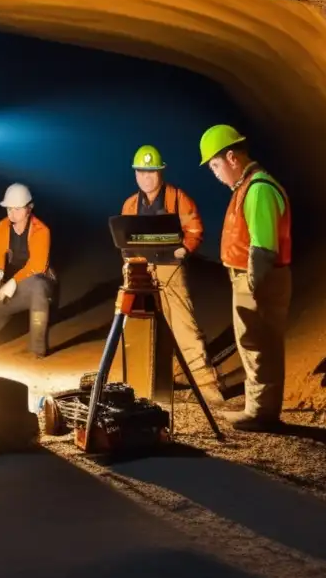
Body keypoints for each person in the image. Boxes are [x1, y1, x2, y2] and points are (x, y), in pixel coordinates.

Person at [200, 124, 292, 432]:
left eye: (215, 165)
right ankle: (259, 408)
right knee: (255, 342)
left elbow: (263, 247)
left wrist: (254, 285)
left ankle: (261, 413)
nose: (214, 173)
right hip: (249, 278)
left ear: (232, 158)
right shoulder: (247, 186)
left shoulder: (259, 189)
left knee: (259, 343)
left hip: (258, 280)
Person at [122, 145, 223, 405]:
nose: (146, 177)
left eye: (151, 172)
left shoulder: (178, 198)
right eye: (141, 172)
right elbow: (125, 237)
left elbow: (195, 228)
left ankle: (207, 387)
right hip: (142, 271)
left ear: (161, 172)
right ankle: (148, 383)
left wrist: (184, 249)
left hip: (170, 270)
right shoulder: (131, 204)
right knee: (140, 328)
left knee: (183, 326)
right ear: (135, 174)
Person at [0, 183, 56, 357]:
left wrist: (13, 282)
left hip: (38, 282)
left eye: (17, 209)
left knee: (38, 287)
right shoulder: (1, 228)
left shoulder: (41, 231)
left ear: (29, 209)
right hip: (12, 284)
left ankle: (38, 349)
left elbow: (38, 266)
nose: (12, 213)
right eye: (9, 209)